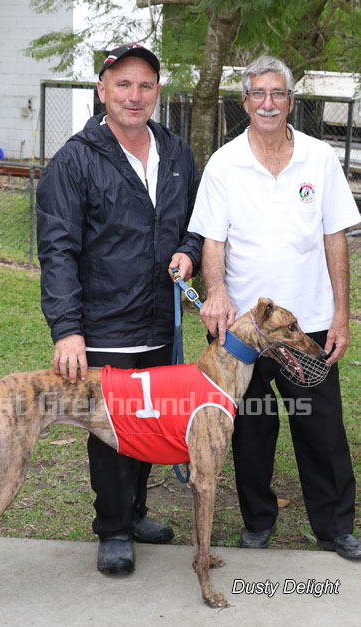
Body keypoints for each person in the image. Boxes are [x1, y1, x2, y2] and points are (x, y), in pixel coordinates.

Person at [36, 44, 202, 574]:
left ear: (158, 92)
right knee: (111, 432)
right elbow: (58, 249)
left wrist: (190, 251)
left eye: (145, 85)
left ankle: (135, 514)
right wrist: (68, 330)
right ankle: (112, 528)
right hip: (104, 326)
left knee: (149, 423)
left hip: (160, 322)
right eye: (123, 84)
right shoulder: (75, 159)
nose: (135, 95)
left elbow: (198, 223)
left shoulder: (176, 153)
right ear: (102, 90)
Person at [188, 55, 360, 559]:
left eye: (278, 93)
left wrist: (342, 315)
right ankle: (257, 522)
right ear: (245, 102)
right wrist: (215, 290)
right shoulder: (224, 163)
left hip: (308, 325)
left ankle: (334, 528)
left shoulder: (319, 158)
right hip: (243, 330)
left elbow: (335, 238)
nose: (268, 103)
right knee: (251, 428)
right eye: (258, 94)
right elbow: (212, 241)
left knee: (321, 427)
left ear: (290, 101)